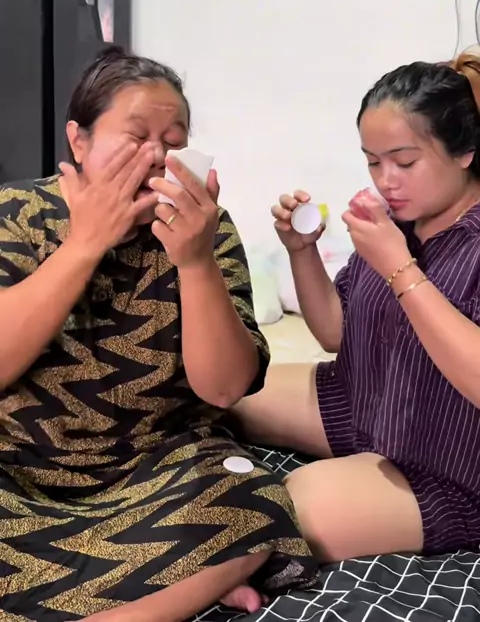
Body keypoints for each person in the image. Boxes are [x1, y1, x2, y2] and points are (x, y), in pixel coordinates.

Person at [0, 46, 318, 622]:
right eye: (136, 136)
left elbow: (225, 389)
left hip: (155, 472)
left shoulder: (205, 229)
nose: (157, 156)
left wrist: (195, 261)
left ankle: (153, 587)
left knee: (249, 500)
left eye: (174, 141)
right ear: (78, 141)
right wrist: (85, 244)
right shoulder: (16, 214)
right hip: (19, 477)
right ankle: (176, 583)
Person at [233, 52, 480, 563]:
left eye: (405, 162)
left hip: (452, 464)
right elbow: (335, 333)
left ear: (465, 152)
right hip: (364, 403)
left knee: (287, 509)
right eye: (373, 161)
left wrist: (400, 268)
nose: (386, 180)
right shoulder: (394, 220)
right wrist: (301, 251)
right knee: (224, 388)